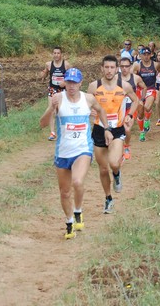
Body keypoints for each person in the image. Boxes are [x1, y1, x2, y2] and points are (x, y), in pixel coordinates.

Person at [40, 68, 112, 240]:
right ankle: (69, 221)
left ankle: (78, 210)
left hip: (83, 149)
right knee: (64, 192)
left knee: (78, 181)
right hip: (63, 152)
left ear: (81, 83)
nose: (71, 86)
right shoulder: (58, 99)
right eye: (69, 82)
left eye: (75, 82)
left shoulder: (88, 99)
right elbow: (42, 123)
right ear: (64, 83)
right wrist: (52, 108)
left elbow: (101, 111)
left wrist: (107, 129)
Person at [88, 55, 139, 214]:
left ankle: (117, 174)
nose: (109, 70)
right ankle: (108, 198)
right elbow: (86, 104)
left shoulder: (124, 86)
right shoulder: (93, 86)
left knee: (114, 163)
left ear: (116, 69)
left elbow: (135, 100)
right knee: (103, 170)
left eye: (112, 67)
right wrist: (89, 111)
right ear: (101, 68)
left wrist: (129, 115)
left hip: (117, 130)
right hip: (99, 130)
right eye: (106, 67)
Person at [132, 47, 160, 141]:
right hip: (140, 90)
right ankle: (142, 132)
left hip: (151, 89)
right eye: (144, 54)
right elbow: (132, 78)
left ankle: (147, 120)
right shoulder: (137, 66)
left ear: (151, 55)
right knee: (140, 113)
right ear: (140, 55)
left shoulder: (155, 65)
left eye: (148, 54)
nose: (146, 56)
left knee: (147, 107)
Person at [40, 46, 71, 141]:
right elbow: (45, 74)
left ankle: (64, 131)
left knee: (62, 111)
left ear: (61, 54)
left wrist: (65, 83)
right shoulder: (49, 64)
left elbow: (71, 77)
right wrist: (43, 75)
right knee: (52, 110)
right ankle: (52, 133)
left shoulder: (66, 64)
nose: (56, 55)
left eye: (58, 53)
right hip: (53, 89)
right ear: (52, 54)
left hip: (63, 91)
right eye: (55, 53)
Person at [119, 57, 145, 160]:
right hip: (118, 108)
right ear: (119, 67)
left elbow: (144, 87)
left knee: (127, 128)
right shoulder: (115, 78)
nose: (124, 68)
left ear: (130, 67)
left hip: (131, 107)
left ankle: (126, 146)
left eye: (126, 66)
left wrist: (141, 99)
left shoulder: (136, 78)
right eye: (122, 66)